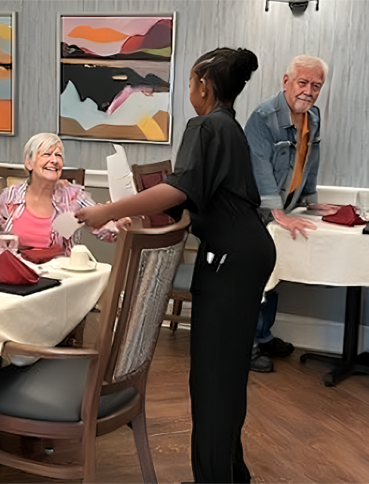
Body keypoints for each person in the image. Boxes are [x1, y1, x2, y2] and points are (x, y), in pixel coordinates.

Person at [77, 47, 273, 484]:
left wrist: (106, 210)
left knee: (212, 379)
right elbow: (196, 197)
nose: (188, 91)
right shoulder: (228, 127)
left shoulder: (204, 126)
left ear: (204, 84)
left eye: (189, 83)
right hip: (245, 253)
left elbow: (177, 191)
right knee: (225, 374)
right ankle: (228, 474)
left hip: (230, 259)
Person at [244, 54, 336, 373]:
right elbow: (258, 167)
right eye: (303, 83)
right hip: (252, 212)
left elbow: (312, 157)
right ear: (286, 82)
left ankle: (264, 335)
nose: (308, 91)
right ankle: (248, 346)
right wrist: (277, 212)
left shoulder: (314, 117)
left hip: (284, 207)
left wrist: (310, 199)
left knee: (276, 270)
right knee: (255, 279)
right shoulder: (263, 117)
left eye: (316, 86)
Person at [0, 132, 127, 258]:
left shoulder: (73, 197)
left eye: (58, 155)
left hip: (59, 277)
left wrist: (118, 226)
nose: (54, 160)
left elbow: (103, 229)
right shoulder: (9, 197)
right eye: (47, 154)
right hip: (16, 269)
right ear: (29, 163)